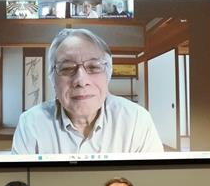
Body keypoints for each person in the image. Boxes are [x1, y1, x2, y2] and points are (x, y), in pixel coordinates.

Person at [11, 28, 164, 155]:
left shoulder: (137, 120)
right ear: (52, 78)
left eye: (93, 67)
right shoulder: (31, 123)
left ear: (108, 74)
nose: (81, 80)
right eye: (67, 68)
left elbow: (153, 183)